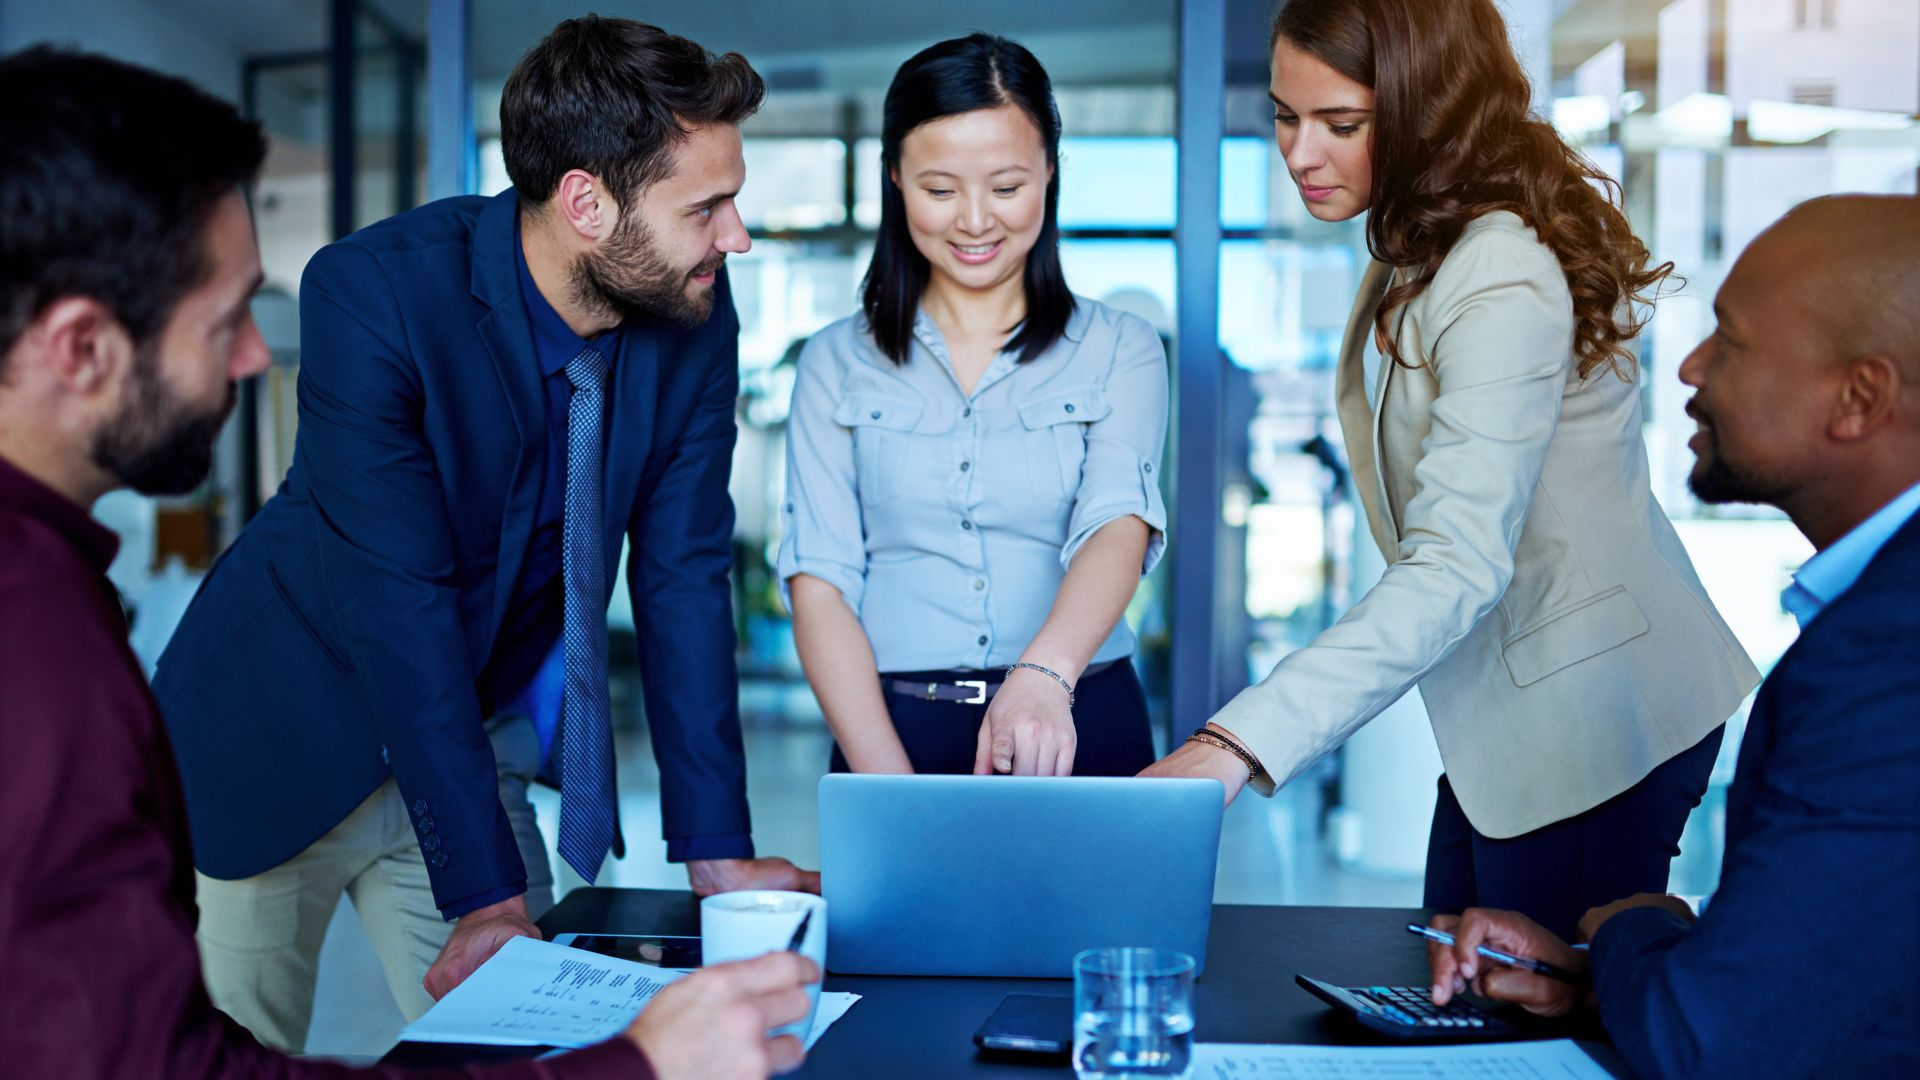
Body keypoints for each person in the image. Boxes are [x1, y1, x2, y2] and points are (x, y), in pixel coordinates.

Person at [0, 45, 817, 1080]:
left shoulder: (691, 306)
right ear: (586, 204)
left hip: (467, 742)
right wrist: (488, 896)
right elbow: (400, 600)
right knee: (220, 1048)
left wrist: (716, 851)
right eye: (706, 208)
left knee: (549, 1040)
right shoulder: (376, 293)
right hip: (279, 734)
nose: (735, 236)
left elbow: (683, 575)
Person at [1140, 0, 1758, 940]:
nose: (1300, 153)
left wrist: (1234, 743)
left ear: (1427, 109)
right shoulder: (1424, 239)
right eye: (1286, 116)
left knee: (1526, 999)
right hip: (1516, 709)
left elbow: (1457, 560)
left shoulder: (1497, 267)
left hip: (1597, 712)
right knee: (1455, 972)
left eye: (1341, 124)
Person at [1425, 194, 1920, 1079]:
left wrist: (1635, 925)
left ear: (1859, 398)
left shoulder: (1884, 657)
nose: (1690, 367)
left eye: (1730, 340)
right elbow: (1841, 974)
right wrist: (1599, 976)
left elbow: (1716, 1040)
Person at [779, 33, 1168, 779]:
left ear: (1050, 170)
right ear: (895, 178)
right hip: (892, 730)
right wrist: (889, 786)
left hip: (1078, 717)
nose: (976, 221)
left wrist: (1044, 676)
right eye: (940, 190)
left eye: (1007, 186)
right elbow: (820, 580)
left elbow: (1118, 525)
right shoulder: (833, 362)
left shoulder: (1120, 347)